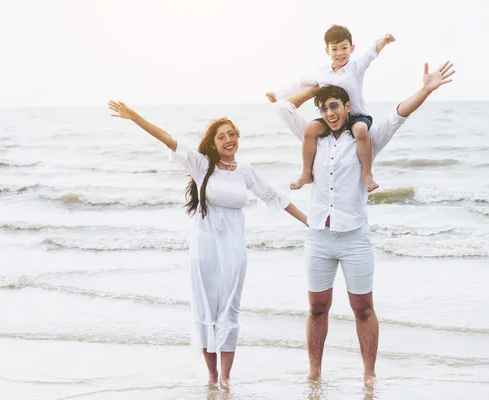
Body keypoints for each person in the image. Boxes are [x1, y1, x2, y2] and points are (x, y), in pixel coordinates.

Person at [275, 61, 455, 384]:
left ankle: (369, 374)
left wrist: (426, 90)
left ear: (347, 107)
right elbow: (284, 108)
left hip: (355, 237)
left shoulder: (366, 137)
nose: (330, 113)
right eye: (324, 108)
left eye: (334, 106)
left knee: (363, 308)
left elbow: (398, 115)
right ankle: (314, 372)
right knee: (317, 307)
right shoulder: (314, 138)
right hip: (318, 236)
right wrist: (316, 89)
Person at [107, 100, 308, 389]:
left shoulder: (246, 171)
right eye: (222, 135)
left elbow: (275, 197)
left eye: (232, 134)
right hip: (204, 249)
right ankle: (212, 374)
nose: (229, 139)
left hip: (234, 250)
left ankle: (225, 376)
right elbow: (167, 139)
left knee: (230, 308)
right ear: (213, 143)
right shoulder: (202, 166)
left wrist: (309, 222)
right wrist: (133, 116)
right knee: (205, 308)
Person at [267, 25, 395, 193]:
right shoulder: (322, 73)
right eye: (334, 49)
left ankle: (367, 174)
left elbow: (371, 53)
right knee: (311, 129)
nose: (340, 53)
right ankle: (306, 173)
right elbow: (301, 83)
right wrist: (278, 94)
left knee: (361, 131)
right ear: (327, 50)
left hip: (355, 116)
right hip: (332, 117)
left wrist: (384, 41)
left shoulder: (355, 68)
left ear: (352, 48)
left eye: (344, 48)